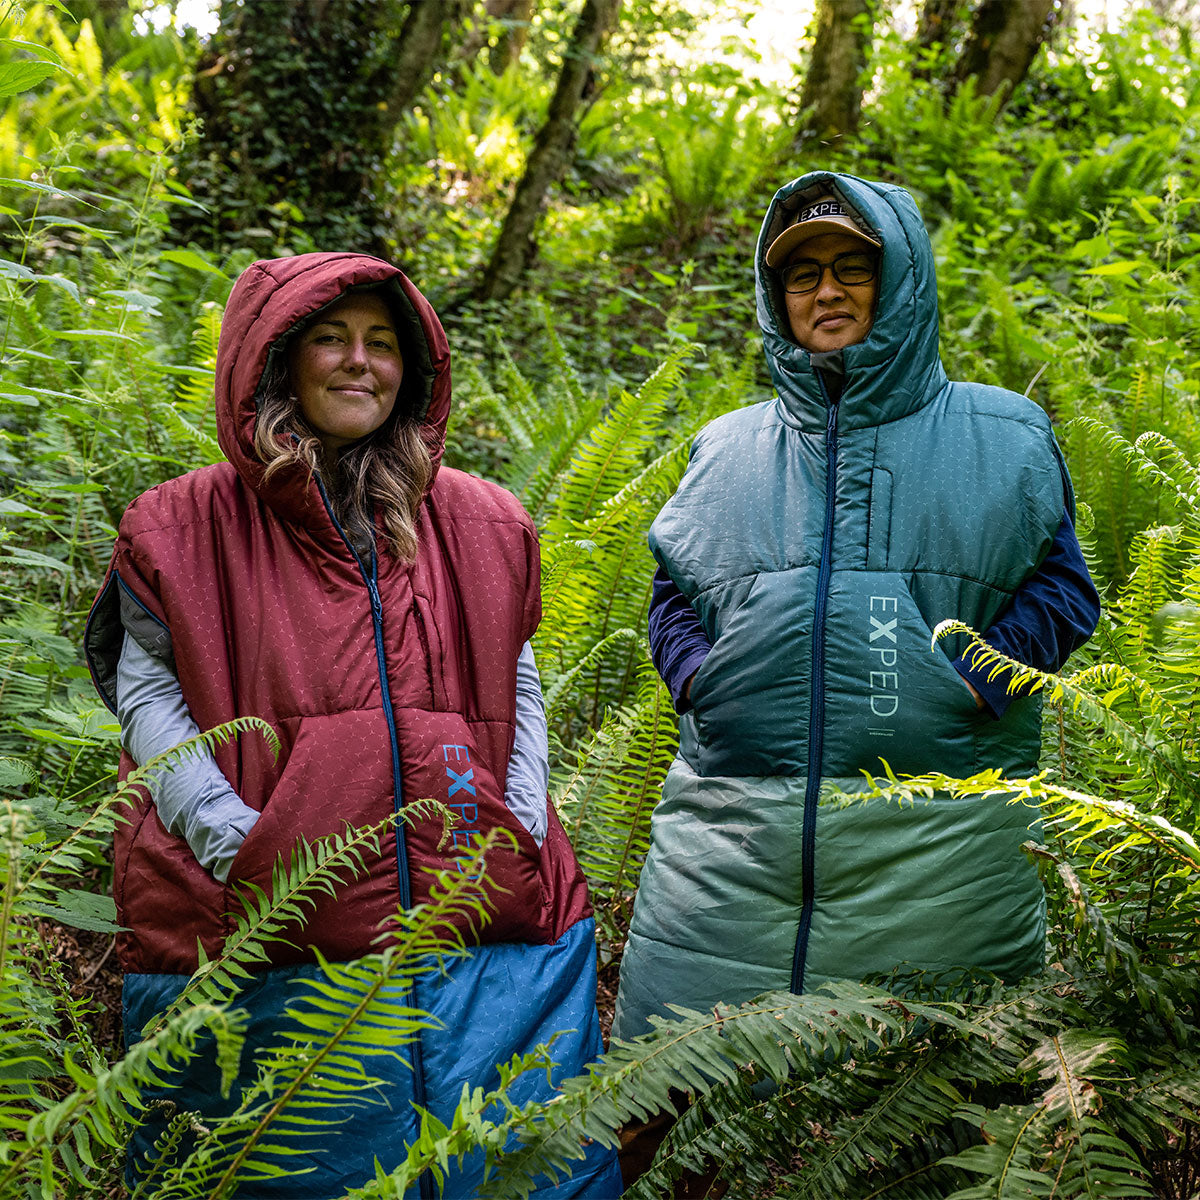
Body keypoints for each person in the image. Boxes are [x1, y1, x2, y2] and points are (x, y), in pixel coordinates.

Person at [84, 252, 623, 1199]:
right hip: (258, 925)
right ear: (276, 358)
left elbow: (519, 679)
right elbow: (147, 698)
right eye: (331, 338)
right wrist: (242, 849)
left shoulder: (484, 519)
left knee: (509, 1169)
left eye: (381, 342)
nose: (358, 361)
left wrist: (526, 826)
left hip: (492, 919)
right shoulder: (182, 525)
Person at [613, 173, 1101, 1047]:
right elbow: (671, 597)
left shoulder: (1008, 435)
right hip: (730, 844)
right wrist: (703, 681)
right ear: (776, 297)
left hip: (940, 838)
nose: (827, 291)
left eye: (852, 268)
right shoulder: (725, 446)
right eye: (803, 275)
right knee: (681, 1097)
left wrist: (966, 686)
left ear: (901, 282)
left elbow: (1064, 593)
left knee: (920, 1110)